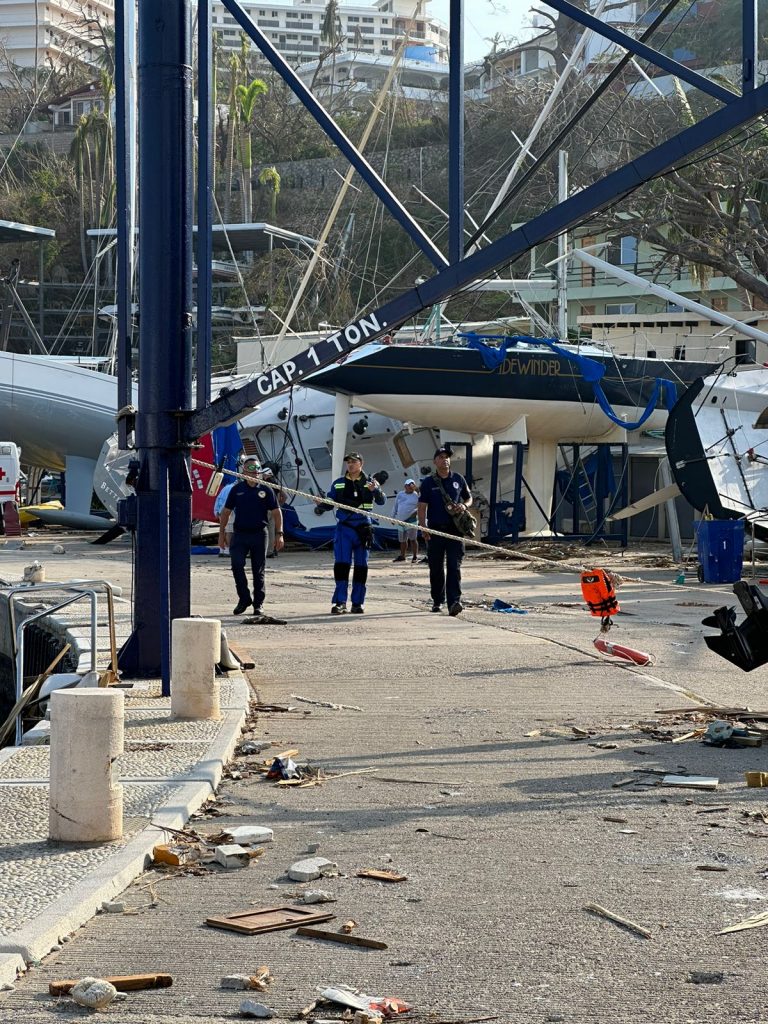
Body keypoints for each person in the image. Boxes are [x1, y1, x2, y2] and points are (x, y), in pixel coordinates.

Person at [218, 457, 284, 615]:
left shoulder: (266, 490)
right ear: (244, 471)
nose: (254, 472)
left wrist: (279, 534)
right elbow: (226, 512)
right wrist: (221, 534)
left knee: (258, 570)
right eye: (251, 468)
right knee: (236, 566)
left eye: (257, 468)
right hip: (240, 534)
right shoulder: (237, 489)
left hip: (259, 534)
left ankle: (258, 603)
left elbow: (276, 512)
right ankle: (244, 598)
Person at [326, 451, 385, 615]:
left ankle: (358, 603)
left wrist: (376, 491)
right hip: (344, 528)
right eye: (348, 462)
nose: (350, 464)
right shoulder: (338, 483)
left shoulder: (370, 483)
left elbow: (381, 501)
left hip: (363, 529)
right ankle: (340, 602)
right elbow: (329, 501)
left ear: (361, 464)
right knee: (342, 565)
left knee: (361, 567)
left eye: (354, 461)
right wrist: (321, 503)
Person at [417, 446, 473, 617]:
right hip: (435, 530)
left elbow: (468, 497)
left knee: (454, 567)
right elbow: (421, 507)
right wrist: (422, 527)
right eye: (441, 457)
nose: (445, 460)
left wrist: (464, 505)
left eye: (447, 457)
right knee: (436, 568)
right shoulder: (428, 482)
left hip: (455, 531)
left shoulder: (458, 479)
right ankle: (437, 600)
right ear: (435, 461)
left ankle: (454, 601)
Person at [391, 478, 419, 563]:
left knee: (413, 539)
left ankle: (415, 556)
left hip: (412, 519)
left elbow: (422, 504)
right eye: (409, 485)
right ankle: (402, 555)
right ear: (405, 486)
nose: (410, 487)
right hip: (400, 520)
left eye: (412, 485)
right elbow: (395, 506)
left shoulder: (417, 495)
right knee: (402, 540)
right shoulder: (400, 494)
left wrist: (416, 488)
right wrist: (392, 517)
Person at [214, 480, 236, 556]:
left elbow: (218, 498)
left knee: (223, 529)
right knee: (229, 530)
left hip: (220, 510)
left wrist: (216, 510)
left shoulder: (225, 487)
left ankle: (222, 550)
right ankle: (228, 550)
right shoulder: (234, 488)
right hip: (229, 510)